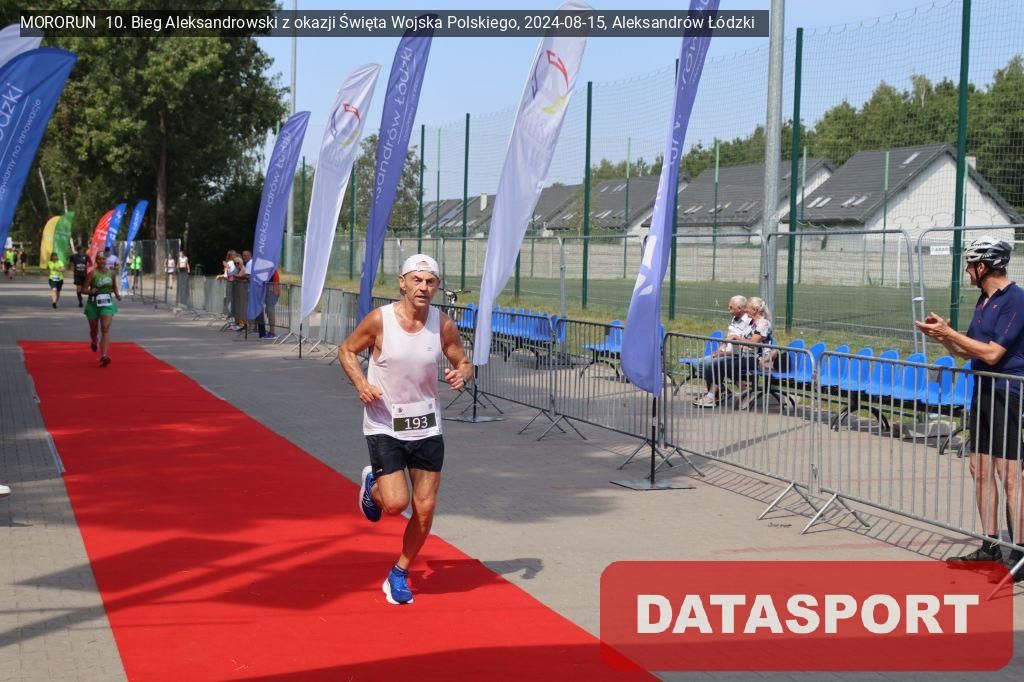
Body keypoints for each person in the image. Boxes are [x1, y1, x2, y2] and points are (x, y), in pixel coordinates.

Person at [338, 254, 472, 606]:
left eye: (430, 282)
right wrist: (361, 384)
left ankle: (399, 571)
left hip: (427, 425)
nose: (423, 288)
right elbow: (347, 350)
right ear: (402, 283)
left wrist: (462, 373)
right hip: (385, 423)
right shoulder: (379, 320)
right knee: (396, 504)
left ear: (436, 286)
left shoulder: (443, 325)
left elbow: (463, 360)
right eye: (417, 280)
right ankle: (374, 486)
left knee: (425, 508)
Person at [916, 235, 1024, 582]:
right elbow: (968, 351)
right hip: (983, 390)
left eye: (970, 264)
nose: (966, 270)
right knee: (979, 469)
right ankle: (990, 546)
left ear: (985, 266)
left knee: (1010, 476)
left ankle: (1020, 553)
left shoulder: (1016, 300)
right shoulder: (984, 300)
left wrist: (951, 334)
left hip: (1008, 392)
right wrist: (943, 336)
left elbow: (992, 354)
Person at [694, 296, 773, 408]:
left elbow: (753, 343)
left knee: (723, 365)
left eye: (747, 308)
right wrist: (730, 349)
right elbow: (743, 341)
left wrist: (736, 337)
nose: (745, 310)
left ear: (755, 310)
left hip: (757, 359)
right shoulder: (751, 323)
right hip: (744, 355)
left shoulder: (763, 324)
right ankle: (716, 395)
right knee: (719, 364)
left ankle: (723, 395)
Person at [687, 296, 751, 376]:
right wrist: (721, 348)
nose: (728, 308)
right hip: (725, 352)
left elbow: (740, 349)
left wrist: (722, 354)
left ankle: (716, 381)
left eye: (731, 307)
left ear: (739, 308)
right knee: (697, 363)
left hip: (735, 356)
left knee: (708, 365)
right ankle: (715, 380)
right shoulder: (734, 318)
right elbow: (728, 338)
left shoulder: (748, 322)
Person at [82, 254, 122, 367]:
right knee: (94, 330)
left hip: (107, 304)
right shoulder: (92, 273)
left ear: (106, 260)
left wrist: (117, 295)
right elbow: (84, 289)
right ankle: (94, 340)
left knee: (105, 328)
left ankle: (104, 356)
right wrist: (90, 291)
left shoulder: (111, 273)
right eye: (99, 259)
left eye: (103, 259)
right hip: (93, 304)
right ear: (96, 261)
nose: (102, 261)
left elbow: (114, 287)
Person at [258, 268, 281, 340]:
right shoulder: (268, 270)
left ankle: (272, 332)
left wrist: (276, 292)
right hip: (269, 292)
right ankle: (271, 331)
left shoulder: (273, 271)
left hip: (272, 292)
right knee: (268, 310)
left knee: (270, 311)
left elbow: (276, 282)